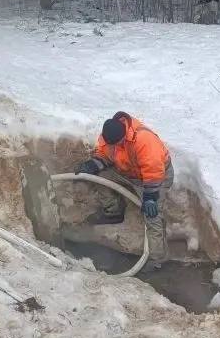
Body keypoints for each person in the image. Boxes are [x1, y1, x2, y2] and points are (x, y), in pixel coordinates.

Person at [74, 111, 174, 270]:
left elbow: (154, 171)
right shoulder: (108, 136)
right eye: (111, 145)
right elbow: (104, 154)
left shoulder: (144, 140)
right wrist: (92, 165)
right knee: (101, 176)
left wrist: (150, 197)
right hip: (128, 172)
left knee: (152, 215)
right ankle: (113, 212)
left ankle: (157, 260)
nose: (114, 147)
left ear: (123, 136)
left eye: (117, 144)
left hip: (155, 178)